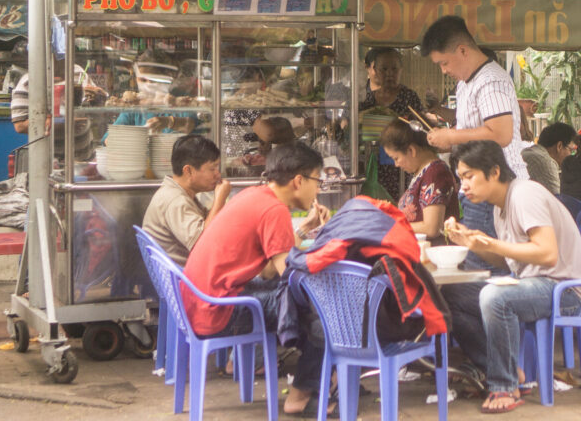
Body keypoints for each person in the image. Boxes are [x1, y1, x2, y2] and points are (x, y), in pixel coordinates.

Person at [180, 141, 330, 415]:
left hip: (201, 300)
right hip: (218, 311)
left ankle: (325, 380)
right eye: (317, 181)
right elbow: (290, 275)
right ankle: (302, 394)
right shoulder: (274, 211)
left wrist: (307, 227)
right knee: (324, 313)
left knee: (305, 302)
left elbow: (268, 270)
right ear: (299, 180)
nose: (318, 189)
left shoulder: (254, 195)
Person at [441, 141, 581, 414]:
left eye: (469, 176)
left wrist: (490, 244)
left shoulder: (524, 195)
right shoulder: (500, 206)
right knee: (448, 294)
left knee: (495, 297)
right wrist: (476, 244)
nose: (463, 186)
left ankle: (503, 385)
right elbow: (512, 258)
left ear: (494, 172)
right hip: (530, 283)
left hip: (563, 289)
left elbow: (547, 254)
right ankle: (504, 371)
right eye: (461, 178)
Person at [419, 15, 528, 269]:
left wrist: (452, 136)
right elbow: (473, 129)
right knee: (476, 267)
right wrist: (449, 139)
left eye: (444, 62)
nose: (444, 70)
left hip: (494, 191)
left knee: (482, 271)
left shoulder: (491, 80)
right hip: (477, 188)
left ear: (462, 50)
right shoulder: (467, 83)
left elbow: (501, 133)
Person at [141, 135, 231, 265]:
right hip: (188, 279)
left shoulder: (181, 193)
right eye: (212, 168)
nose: (218, 174)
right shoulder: (175, 200)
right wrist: (220, 198)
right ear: (188, 170)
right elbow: (203, 244)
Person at [358, 47, 426, 200]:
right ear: (374, 70)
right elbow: (356, 129)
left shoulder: (409, 97)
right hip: (371, 165)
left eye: (394, 69)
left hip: (400, 166)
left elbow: (419, 128)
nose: (389, 74)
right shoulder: (366, 99)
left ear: (401, 70)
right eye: (384, 69)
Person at [379, 118, 459, 243]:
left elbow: (432, 228)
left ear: (411, 150)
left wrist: (390, 226)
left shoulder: (435, 173)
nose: (396, 164)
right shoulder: (423, 171)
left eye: (396, 158)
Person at [519, 122, 576, 194]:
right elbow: (557, 200)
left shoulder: (528, 152)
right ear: (559, 146)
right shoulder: (545, 162)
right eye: (571, 150)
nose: (572, 156)